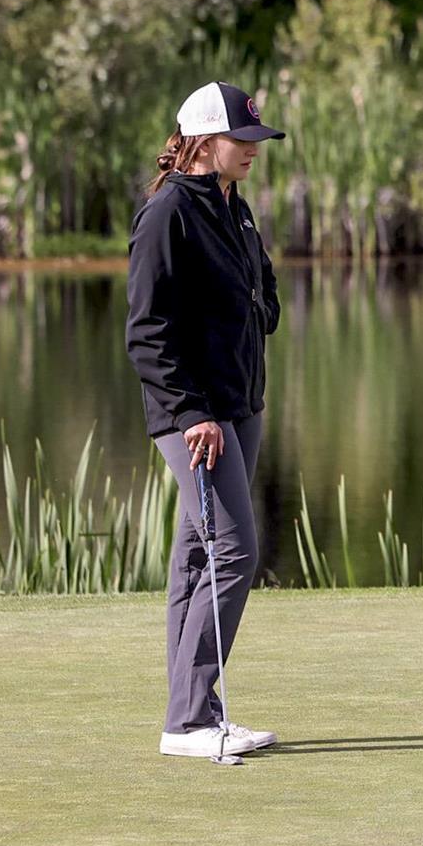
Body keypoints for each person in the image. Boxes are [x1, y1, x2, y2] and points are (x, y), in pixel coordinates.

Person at [128, 80, 288, 760]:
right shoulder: (167, 213)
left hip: (239, 406)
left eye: (255, 139)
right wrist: (193, 411)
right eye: (241, 139)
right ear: (203, 141)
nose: (252, 149)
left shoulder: (233, 206)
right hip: (196, 417)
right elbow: (146, 330)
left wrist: (263, 315)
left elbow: (260, 288)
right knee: (235, 550)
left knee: (197, 556)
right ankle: (189, 721)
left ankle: (192, 712)